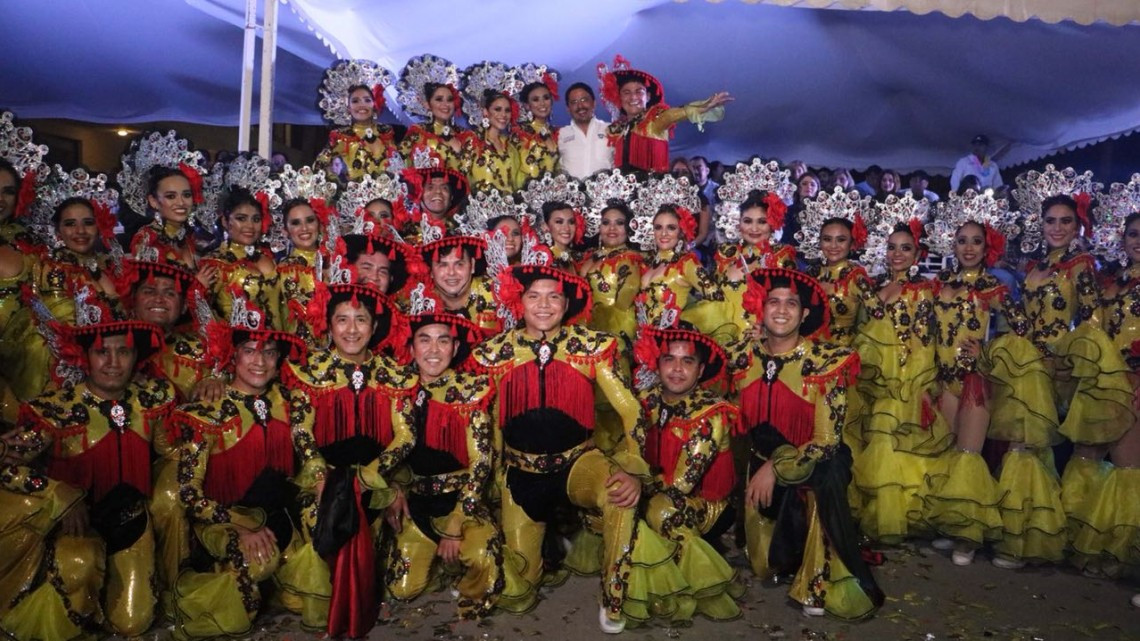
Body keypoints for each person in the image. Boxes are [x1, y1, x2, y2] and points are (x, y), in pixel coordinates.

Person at [474, 264, 682, 632]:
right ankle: (553, 548)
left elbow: (630, 409)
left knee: (621, 494)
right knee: (519, 593)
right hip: (521, 475)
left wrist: (633, 468)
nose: (543, 305)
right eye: (533, 296)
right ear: (518, 302)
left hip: (578, 465)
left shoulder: (589, 347)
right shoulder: (495, 354)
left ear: (566, 303)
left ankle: (614, 595)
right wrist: (487, 483)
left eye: (553, 297)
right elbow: (489, 427)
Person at [0, 298, 174, 640]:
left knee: (132, 623)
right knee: (79, 564)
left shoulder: (152, 399)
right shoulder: (57, 408)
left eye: (122, 352)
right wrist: (55, 492)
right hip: (77, 530)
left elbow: (173, 452)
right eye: (101, 353)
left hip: (130, 522)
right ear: (85, 358)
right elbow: (5, 468)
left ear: (135, 357)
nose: (112, 363)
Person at [728, 267, 884, 619]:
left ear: (805, 313)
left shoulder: (826, 363)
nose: (781, 310)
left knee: (824, 475)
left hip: (813, 466)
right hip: (761, 466)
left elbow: (827, 442)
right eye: (773, 302)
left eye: (791, 304)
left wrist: (775, 467)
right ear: (761, 309)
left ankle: (819, 579)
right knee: (765, 567)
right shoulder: (742, 357)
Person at [168, 293, 323, 637]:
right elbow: (188, 493)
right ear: (233, 355)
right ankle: (224, 573)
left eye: (268, 352)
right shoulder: (206, 411)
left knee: (303, 597)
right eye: (250, 350)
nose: (260, 361)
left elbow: (309, 458)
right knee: (251, 585)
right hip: (228, 521)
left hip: (279, 515)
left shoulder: (291, 401)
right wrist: (239, 526)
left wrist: (321, 483)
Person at [998, 166, 1130, 569]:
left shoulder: (1082, 264)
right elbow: (1025, 321)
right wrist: (1003, 302)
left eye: (1065, 221)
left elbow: (1091, 320)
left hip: (1062, 364)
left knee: (1067, 450)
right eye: (1051, 220)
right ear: (1040, 224)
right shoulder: (1034, 266)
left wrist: (1070, 360)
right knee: (1027, 447)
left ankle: (1067, 535)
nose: (1057, 228)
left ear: (1079, 225)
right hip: (1030, 361)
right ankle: (1026, 538)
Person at [383, 303, 534, 618]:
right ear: (411, 348)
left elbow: (481, 462)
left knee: (484, 561)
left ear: (455, 347)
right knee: (401, 589)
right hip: (418, 504)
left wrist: (455, 522)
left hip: (462, 502)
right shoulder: (396, 390)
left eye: (443, 340)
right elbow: (388, 449)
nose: (434, 349)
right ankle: (440, 561)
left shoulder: (471, 391)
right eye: (425, 340)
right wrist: (393, 488)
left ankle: (463, 561)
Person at [283, 282, 413, 637]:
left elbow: (405, 436)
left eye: (361, 320)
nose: (352, 329)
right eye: (342, 320)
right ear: (329, 324)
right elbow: (301, 431)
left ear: (374, 327)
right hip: (325, 479)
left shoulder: (393, 375)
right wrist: (318, 471)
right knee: (325, 528)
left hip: (375, 480)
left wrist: (372, 475)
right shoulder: (310, 372)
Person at [921, 190, 1028, 566]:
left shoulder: (995, 287)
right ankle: (955, 528)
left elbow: (1021, 328)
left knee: (969, 455)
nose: (968, 248)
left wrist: (990, 352)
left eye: (976, 242)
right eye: (962, 241)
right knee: (953, 456)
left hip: (975, 381)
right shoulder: (939, 285)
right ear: (953, 244)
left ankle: (970, 537)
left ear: (988, 247)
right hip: (943, 379)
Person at [850, 201, 953, 544]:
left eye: (905, 248)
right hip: (876, 380)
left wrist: (920, 386)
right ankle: (879, 517)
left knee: (896, 446)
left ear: (918, 253)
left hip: (906, 384)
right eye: (892, 247)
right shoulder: (875, 286)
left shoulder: (921, 290)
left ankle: (900, 518)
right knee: (879, 446)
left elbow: (925, 342)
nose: (897, 254)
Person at [635, 323, 744, 621]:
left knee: (660, 511)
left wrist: (634, 486)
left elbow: (682, 483)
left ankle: (683, 586)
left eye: (688, 361)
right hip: (654, 489)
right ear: (657, 364)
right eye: (669, 359)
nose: (677, 369)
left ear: (701, 369)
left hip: (707, 503)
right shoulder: (647, 399)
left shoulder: (710, 412)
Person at [1079, 178, 1140, 584]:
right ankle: (1089, 545)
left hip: (1134, 383)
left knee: (1126, 469)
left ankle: (1127, 557)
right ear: (1123, 237)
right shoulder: (1110, 280)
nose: (1139, 241)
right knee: (1085, 460)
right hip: (1102, 381)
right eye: (1134, 234)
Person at [596, 55, 731, 173]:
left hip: (652, 195)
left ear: (648, 97)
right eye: (626, 92)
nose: (633, 97)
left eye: (639, 91)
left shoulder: (655, 118)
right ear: (620, 98)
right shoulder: (615, 130)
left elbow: (675, 114)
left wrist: (702, 107)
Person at [713, 183, 798, 339]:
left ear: (772, 224)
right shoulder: (726, 254)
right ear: (738, 223)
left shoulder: (780, 257)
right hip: (723, 337)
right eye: (747, 221)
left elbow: (792, 306)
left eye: (761, 222)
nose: (754, 228)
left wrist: (768, 332)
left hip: (762, 342)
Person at [120, 131, 215, 270]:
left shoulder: (186, 237)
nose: (181, 202)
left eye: (187, 195)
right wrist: (198, 285)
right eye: (171, 196)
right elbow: (155, 288)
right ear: (153, 201)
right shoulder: (147, 239)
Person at [313, 59, 401, 184]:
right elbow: (320, 167)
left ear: (375, 104)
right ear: (348, 107)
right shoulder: (340, 136)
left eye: (367, 100)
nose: (361, 105)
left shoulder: (385, 132)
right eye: (355, 101)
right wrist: (340, 185)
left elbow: (400, 167)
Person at [199, 187, 278, 325]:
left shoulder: (267, 258)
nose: (250, 226)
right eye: (241, 218)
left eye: (256, 219)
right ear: (225, 221)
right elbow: (204, 316)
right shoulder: (215, 263)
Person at [397, 54, 477, 173]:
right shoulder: (417, 133)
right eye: (439, 99)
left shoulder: (466, 135)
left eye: (449, 99)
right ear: (427, 104)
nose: (445, 104)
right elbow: (400, 167)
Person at [421, 236, 501, 333]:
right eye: (443, 265)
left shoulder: (498, 295)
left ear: (472, 265)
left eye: (459, 264)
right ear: (431, 271)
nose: (451, 272)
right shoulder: (419, 304)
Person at [512, 63, 562, 187]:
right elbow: (523, 168)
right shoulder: (520, 133)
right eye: (535, 99)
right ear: (527, 106)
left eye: (546, 98)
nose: (542, 104)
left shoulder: (558, 132)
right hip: (531, 194)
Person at [557, 83, 612, 179]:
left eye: (584, 100)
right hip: (571, 192)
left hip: (605, 192)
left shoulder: (610, 129)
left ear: (594, 103)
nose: (580, 106)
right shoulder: (560, 134)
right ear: (568, 109)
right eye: (574, 102)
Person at [401, 167, 469, 243]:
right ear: (419, 195)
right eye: (430, 187)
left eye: (444, 188)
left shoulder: (463, 233)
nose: (438, 191)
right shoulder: (404, 232)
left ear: (451, 198)